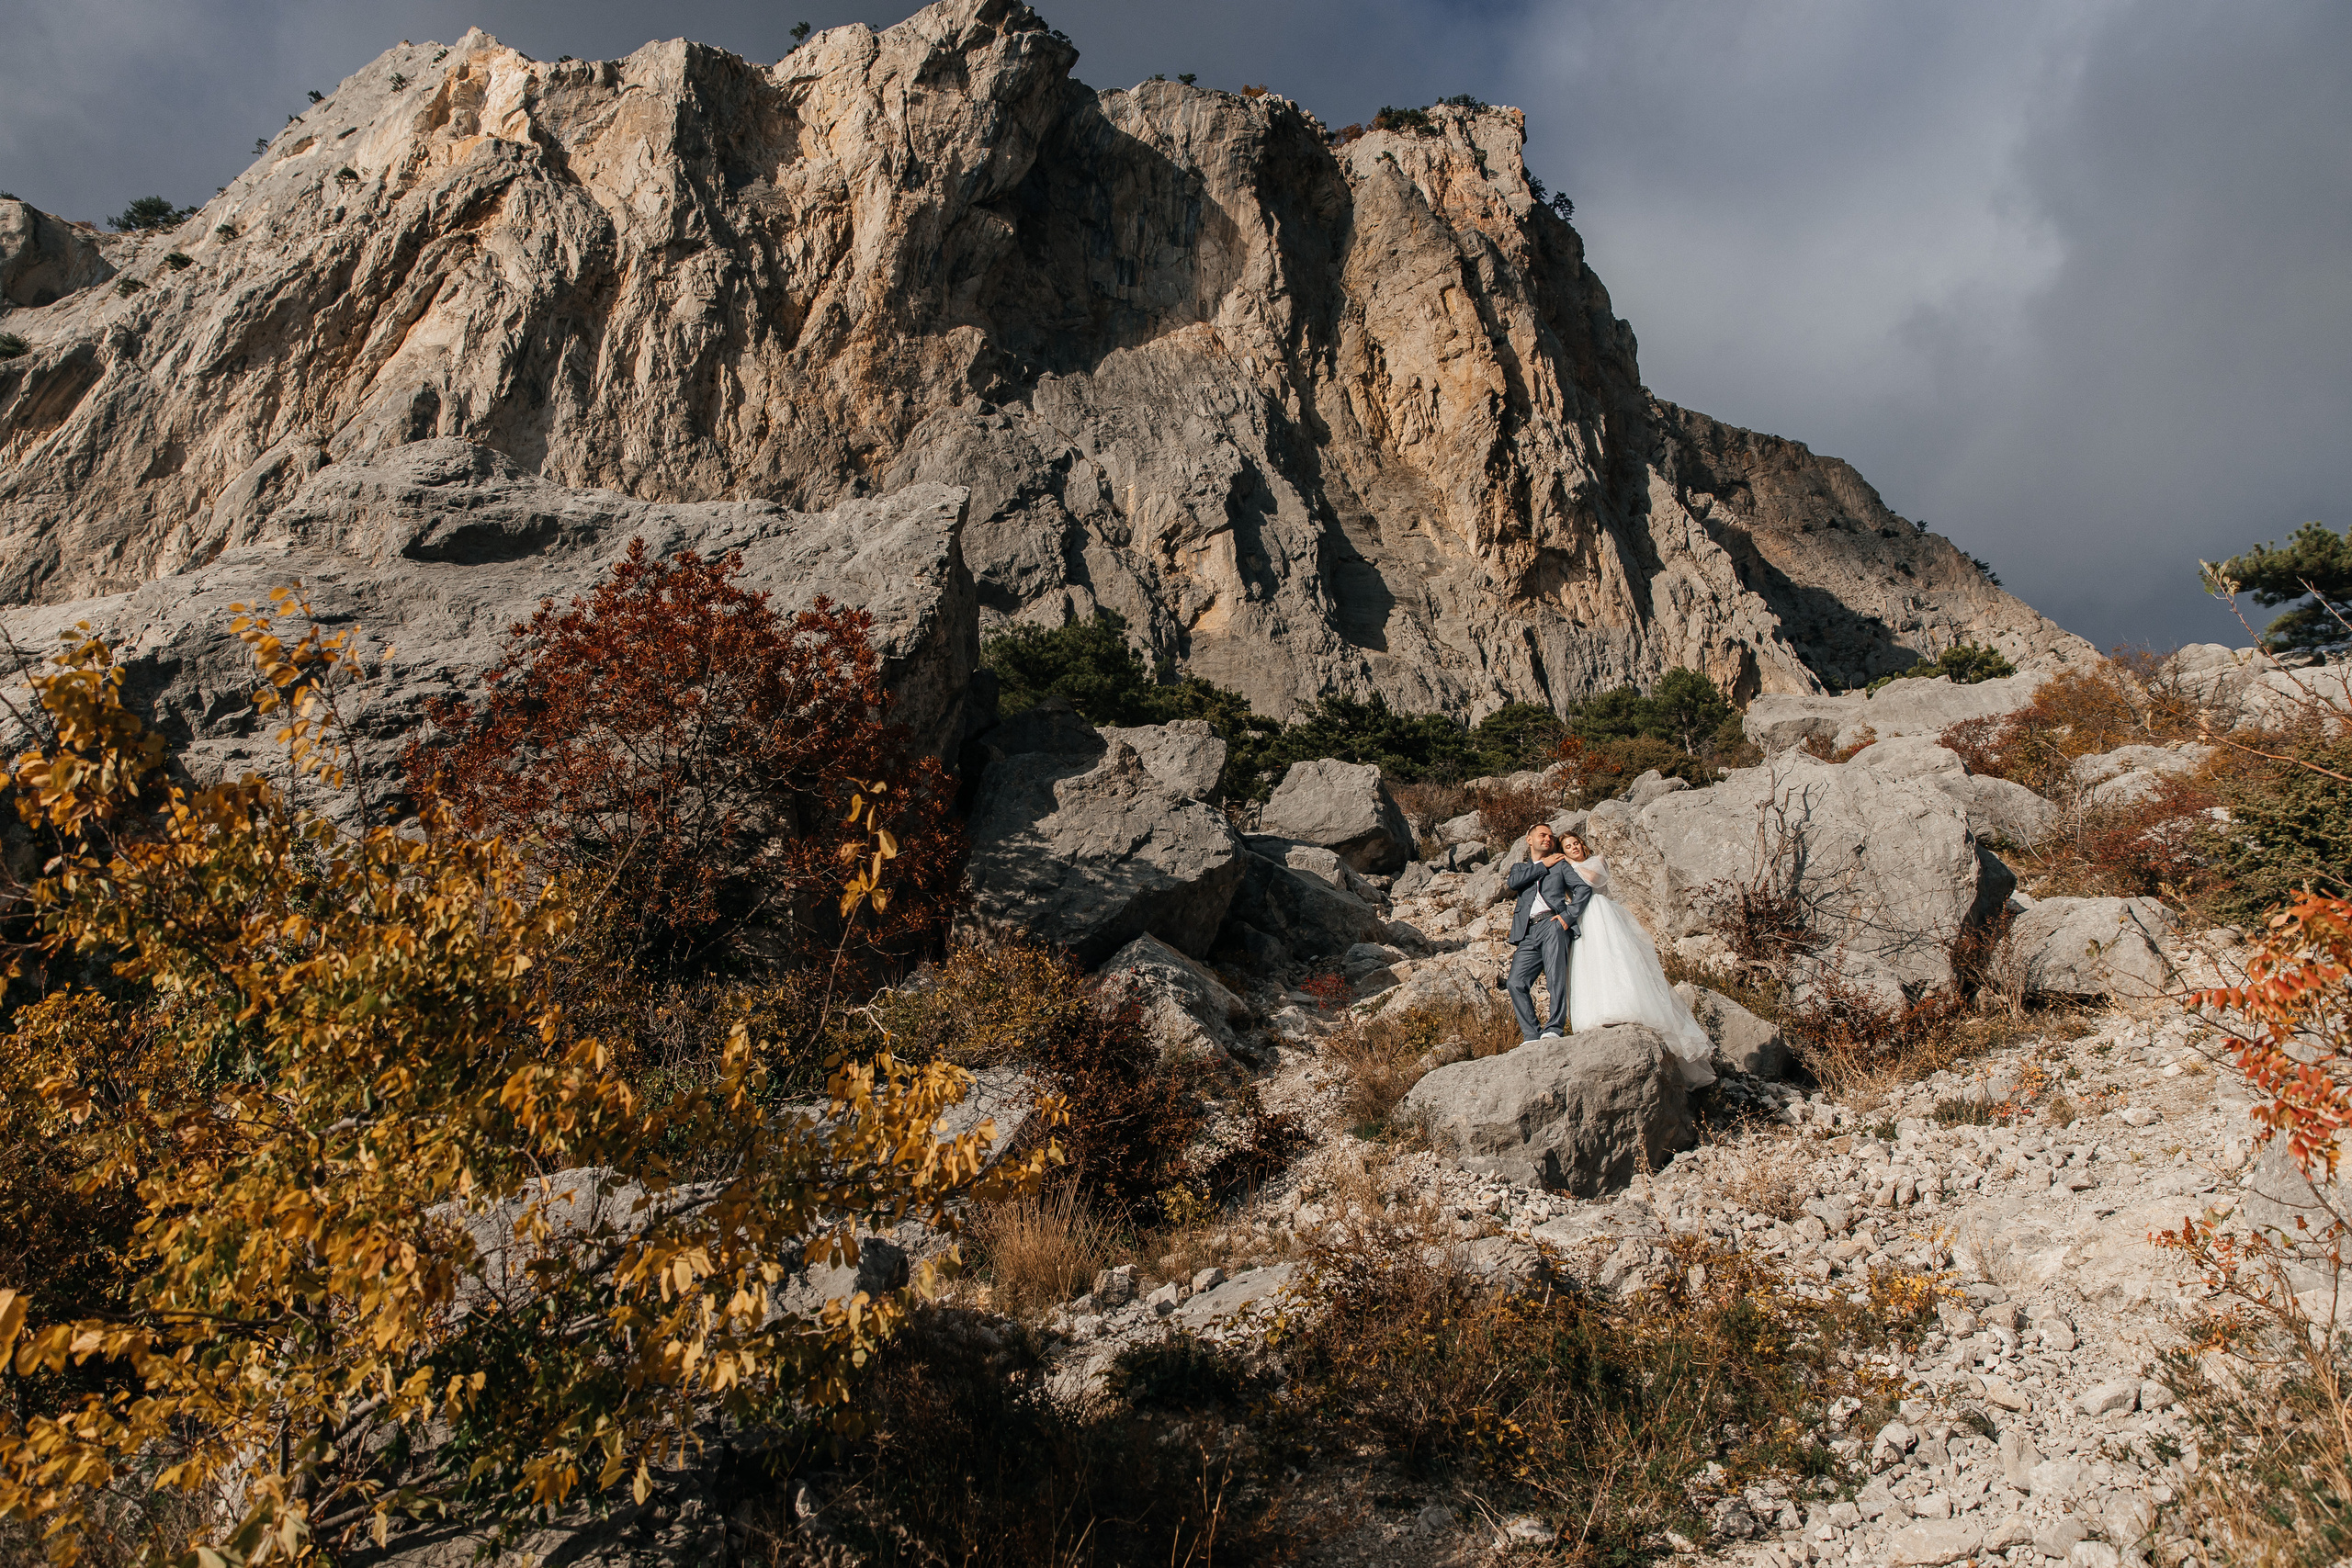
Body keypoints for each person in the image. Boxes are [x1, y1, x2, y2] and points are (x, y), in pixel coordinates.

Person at [1556, 829, 1716, 1087]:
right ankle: (1597, 1013)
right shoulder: (1565, 868)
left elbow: (1593, 880)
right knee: (1590, 964)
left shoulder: (1596, 860)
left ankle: (1626, 1007)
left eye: (1576, 843)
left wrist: (1567, 863)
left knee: (1615, 957)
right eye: (1568, 846)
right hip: (1582, 917)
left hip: (1601, 912)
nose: (1574, 847)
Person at [1503, 823, 1590, 1042]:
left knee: (1555, 978)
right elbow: (1514, 883)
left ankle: (1554, 1029)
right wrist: (1543, 865)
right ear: (1529, 839)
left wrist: (1567, 917)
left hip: (1553, 924)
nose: (1548, 839)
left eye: (1551, 836)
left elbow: (1583, 888)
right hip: (1527, 932)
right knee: (1515, 982)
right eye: (1542, 835)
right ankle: (1532, 1034)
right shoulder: (1519, 868)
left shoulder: (1560, 865)